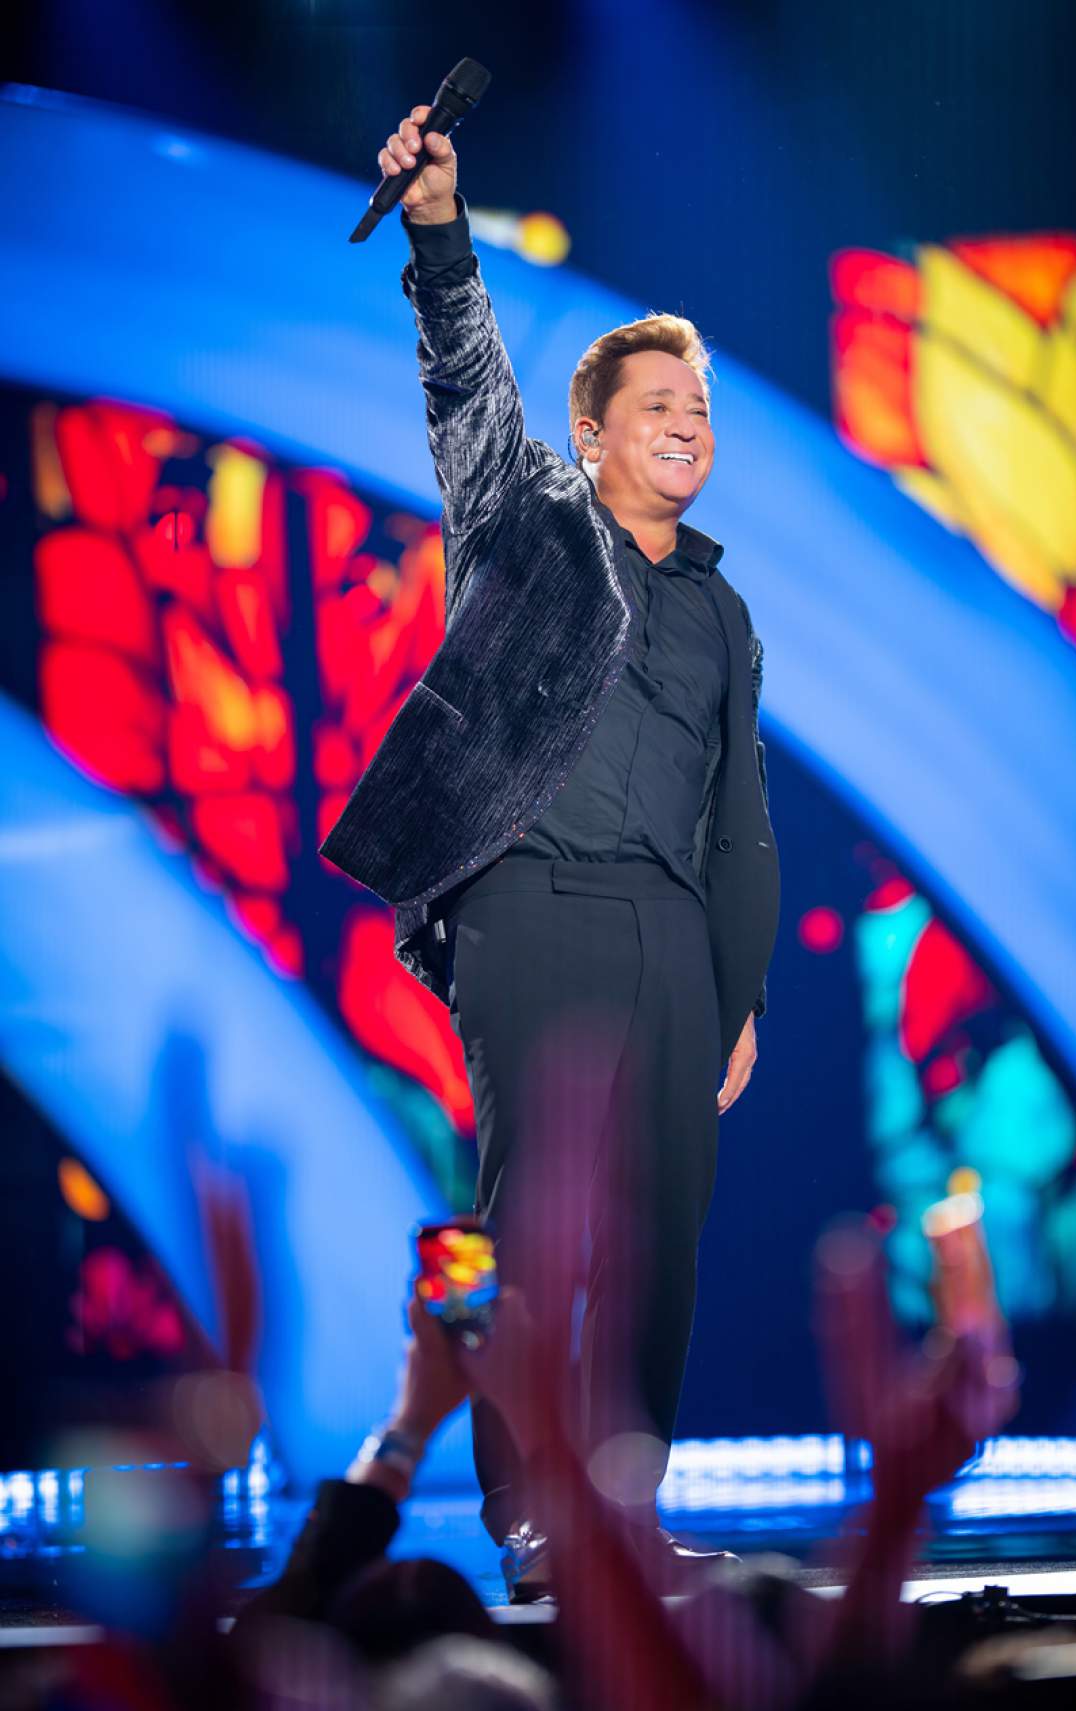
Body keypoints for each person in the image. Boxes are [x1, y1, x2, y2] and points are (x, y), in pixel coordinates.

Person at [320, 106, 780, 1599]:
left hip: (671, 936)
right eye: (661, 404)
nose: (689, 424)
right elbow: (466, 372)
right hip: (529, 905)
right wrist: (439, 227)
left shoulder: (724, 611)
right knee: (527, 1221)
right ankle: (524, 1514)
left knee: (663, 1242)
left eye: (701, 408)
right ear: (592, 434)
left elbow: (738, 813)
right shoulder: (524, 516)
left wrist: (737, 990)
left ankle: (624, 1514)